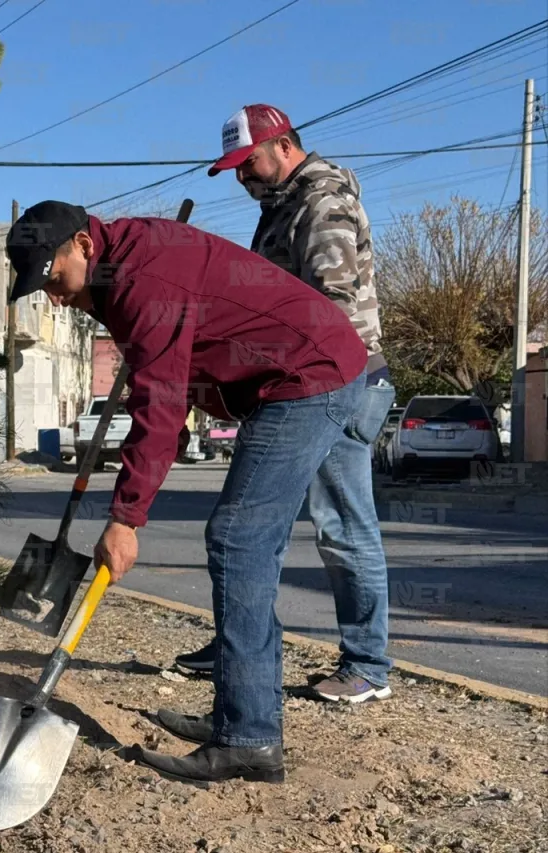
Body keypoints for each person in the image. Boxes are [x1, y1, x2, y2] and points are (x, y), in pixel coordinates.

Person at [5, 199, 367, 785]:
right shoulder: (122, 272)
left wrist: (127, 518)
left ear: (83, 246)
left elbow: (163, 411)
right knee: (248, 545)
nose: (53, 297)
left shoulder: (145, 282)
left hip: (308, 377)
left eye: (54, 279)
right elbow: (169, 381)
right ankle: (242, 714)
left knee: (238, 539)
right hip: (294, 376)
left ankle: (249, 738)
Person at [167, 104, 394, 707]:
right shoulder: (281, 209)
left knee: (342, 526)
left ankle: (367, 664)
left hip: (338, 382)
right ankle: (242, 643)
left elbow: (334, 310)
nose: (243, 179)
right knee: (254, 527)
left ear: (284, 146)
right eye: (236, 170)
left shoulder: (323, 204)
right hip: (292, 384)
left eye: (250, 164)